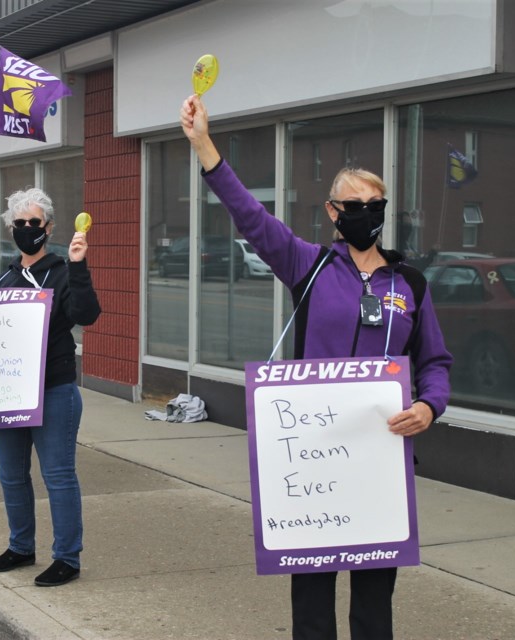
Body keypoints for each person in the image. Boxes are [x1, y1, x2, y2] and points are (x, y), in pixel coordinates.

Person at [180, 94, 452, 639]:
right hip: (312, 461)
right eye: (353, 204)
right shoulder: (308, 265)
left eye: (375, 204)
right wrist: (205, 145)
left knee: (375, 597)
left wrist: (428, 405)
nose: (365, 214)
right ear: (333, 212)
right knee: (312, 597)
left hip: (380, 458)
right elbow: (251, 218)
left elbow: (435, 362)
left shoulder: (410, 283)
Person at [0, 187, 101, 587]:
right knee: (11, 475)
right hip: (7, 392)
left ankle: (67, 557)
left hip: (53, 390)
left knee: (58, 475)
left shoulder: (61, 270)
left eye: (34, 222)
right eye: (18, 224)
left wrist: (79, 265)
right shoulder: (4, 278)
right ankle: (21, 546)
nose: (26, 229)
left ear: (49, 227)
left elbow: (86, 314)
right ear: (10, 230)